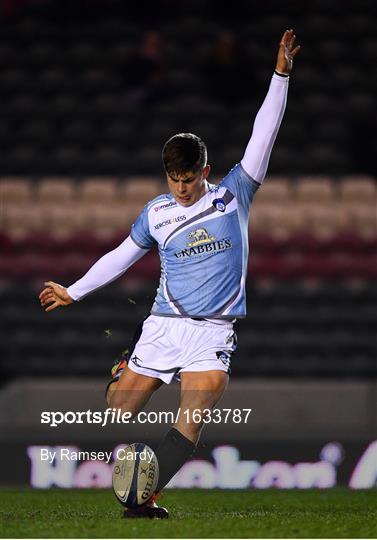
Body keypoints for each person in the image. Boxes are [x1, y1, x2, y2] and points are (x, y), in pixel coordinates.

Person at [39, 29, 300, 518]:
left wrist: (281, 75)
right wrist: (74, 292)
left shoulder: (234, 194)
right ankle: (124, 370)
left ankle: (141, 498)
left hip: (212, 333)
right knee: (120, 412)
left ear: (206, 170)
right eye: (174, 179)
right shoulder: (156, 213)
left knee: (191, 422)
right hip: (164, 324)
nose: (181, 188)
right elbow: (122, 254)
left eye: (189, 178)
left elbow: (263, 133)